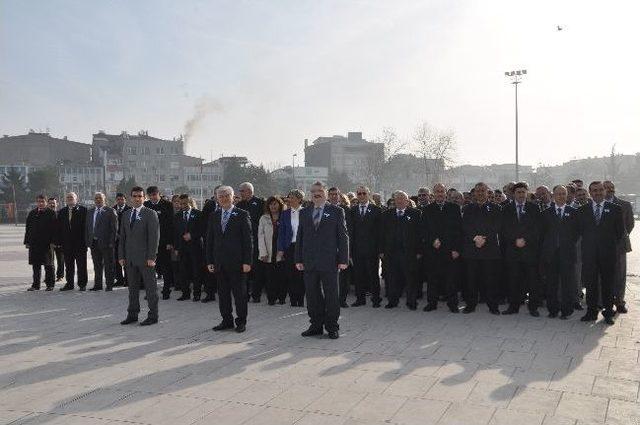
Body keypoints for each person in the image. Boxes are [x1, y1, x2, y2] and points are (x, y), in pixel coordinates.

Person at [295, 181, 349, 339]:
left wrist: (343, 259)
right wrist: (298, 258)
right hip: (309, 260)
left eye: (319, 190)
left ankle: (332, 327)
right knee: (312, 295)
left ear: (325, 193)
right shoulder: (304, 212)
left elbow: (343, 237)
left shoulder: (337, 211)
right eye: (313, 191)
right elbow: (300, 237)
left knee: (332, 295)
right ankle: (316, 325)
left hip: (330, 261)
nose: (316, 193)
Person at [576, 181, 624, 325]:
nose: (597, 193)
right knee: (591, 284)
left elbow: (620, 232)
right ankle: (591, 312)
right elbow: (579, 231)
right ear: (590, 193)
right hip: (589, 254)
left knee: (608, 284)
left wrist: (607, 244)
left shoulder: (616, 209)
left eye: (600, 190)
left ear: (605, 191)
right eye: (594, 190)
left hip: (608, 254)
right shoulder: (582, 210)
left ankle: (608, 313)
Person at [206, 186, 253, 333]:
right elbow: (210, 240)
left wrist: (247, 261)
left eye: (227, 195)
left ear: (233, 197)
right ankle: (226, 320)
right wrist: (209, 261)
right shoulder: (214, 215)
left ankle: (241, 321)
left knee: (239, 294)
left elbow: (248, 240)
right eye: (221, 196)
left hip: (238, 263)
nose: (224, 198)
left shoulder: (242, 214)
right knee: (223, 294)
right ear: (217, 198)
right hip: (219, 262)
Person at [119, 186, 160, 326]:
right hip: (130, 259)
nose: (137, 198)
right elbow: (122, 238)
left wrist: (151, 257)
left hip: (145, 259)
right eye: (134, 196)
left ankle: (153, 315)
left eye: (140, 196)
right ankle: (132, 314)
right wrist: (121, 256)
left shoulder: (150, 213)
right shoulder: (125, 214)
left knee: (150, 289)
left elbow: (154, 238)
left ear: (144, 198)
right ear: (131, 197)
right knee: (132, 289)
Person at [500, 182, 542, 316]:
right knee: (513, 280)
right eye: (518, 192)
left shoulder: (534, 208)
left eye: (524, 192)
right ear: (513, 194)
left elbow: (537, 229)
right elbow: (504, 229)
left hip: (529, 251)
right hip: (513, 251)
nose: (521, 195)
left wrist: (525, 240)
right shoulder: (506, 209)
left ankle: (533, 307)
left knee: (532, 280)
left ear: (527, 193)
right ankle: (513, 306)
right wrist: (515, 240)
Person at [461, 182, 502, 314]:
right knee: (471, 279)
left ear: (487, 192)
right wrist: (475, 238)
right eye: (477, 191)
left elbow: (496, 227)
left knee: (490, 279)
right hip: (472, 249)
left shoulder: (496, 208)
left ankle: (493, 306)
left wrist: (484, 239)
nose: (480, 193)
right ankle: (471, 305)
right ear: (474, 193)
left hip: (489, 249)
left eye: (483, 190)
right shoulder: (467, 209)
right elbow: (465, 227)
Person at [421, 183, 462, 313]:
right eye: (437, 191)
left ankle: (453, 304)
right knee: (432, 279)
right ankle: (432, 303)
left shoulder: (454, 208)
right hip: (433, 249)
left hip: (449, 249)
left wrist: (456, 249)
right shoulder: (427, 209)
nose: (439, 193)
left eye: (441, 191)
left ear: (446, 193)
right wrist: (432, 240)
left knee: (451, 279)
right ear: (433, 194)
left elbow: (458, 230)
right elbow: (424, 230)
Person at [541, 185, 579, 319]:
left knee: (567, 284)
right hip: (551, 254)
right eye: (558, 194)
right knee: (551, 283)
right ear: (553, 196)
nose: (561, 196)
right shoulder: (545, 213)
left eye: (564, 194)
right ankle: (553, 310)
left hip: (567, 254)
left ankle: (566, 310)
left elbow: (576, 233)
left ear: (567, 195)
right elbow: (542, 234)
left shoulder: (574, 212)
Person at [380, 190, 422, 310]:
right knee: (392, 278)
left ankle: (411, 302)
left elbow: (419, 234)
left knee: (410, 279)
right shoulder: (387, 214)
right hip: (391, 253)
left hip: (409, 253)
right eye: (397, 199)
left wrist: (419, 251)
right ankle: (393, 301)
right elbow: (381, 234)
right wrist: (381, 250)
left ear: (407, 201)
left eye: (402, 198)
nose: (399, 201)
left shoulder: (415, 214)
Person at [348, 185, 383, 307]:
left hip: (372, 250)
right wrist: (349, 250)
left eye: (364, 193)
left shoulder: (376, 210)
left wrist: (380, 249)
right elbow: (350, 231)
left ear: (368, 194)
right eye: (359, 194)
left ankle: (376, 299)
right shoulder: (352, 210)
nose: (361, 196)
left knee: (373, 275)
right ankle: (360, 299)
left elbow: (380, 232)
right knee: (358, 275)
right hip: (357, 250)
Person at [603, 180, 634, 313]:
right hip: (601, 246)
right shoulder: (597, 205)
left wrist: (618, 237)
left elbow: (630, 224)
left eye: (612, 187)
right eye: (607, 188)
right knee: (602, 274)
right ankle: (603, 301)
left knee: (620, 274)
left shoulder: (624, 205)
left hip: (619, 245)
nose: (610, 190)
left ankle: (619, 302)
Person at [236, 182, 265, 303]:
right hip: (243, 242)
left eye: (242, 191)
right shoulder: (239, 205)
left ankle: (256, 294)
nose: (240, 193)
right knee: (244, 269)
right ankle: (245, 294)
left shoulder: (260, 203)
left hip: (257, 240)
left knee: (257, 269)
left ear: (249, 191)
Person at [144, 186, 175, 299]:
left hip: (163, 242)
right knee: (149, 268)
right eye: (150, 195)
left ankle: (166, 290)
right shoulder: (146, 205)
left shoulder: (167, 205)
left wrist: (170, 242)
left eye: (154, 194)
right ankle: (151, 292)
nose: (153, 197)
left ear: (159, 193)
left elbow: (171, 225)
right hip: (149, 243)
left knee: (166, 268)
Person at [277, 189, 306, 307]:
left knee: (302, 274)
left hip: (303, 247)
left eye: (292, 197)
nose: (290, 199)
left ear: (299, 199)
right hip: (290, 247)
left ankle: (301, 299)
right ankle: (293, 299)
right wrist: (280, 249)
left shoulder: (307, 212)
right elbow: (281, 233)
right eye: (289, 197)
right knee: (291, 274)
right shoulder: (285, 214)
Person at [174, 194, 205, 302]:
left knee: (196, 271)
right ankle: (185, 293)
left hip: (195, 247)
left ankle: (196, 294)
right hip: (182, 248)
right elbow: (176, 233)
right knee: (183, 271)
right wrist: (176, 248)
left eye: (185, 203)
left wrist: (192, 235)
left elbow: (202, 229)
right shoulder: (177, 216)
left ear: (190, 202)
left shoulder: (198, 214)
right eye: (181, 203)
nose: (183, 205)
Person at [86, 192, 118, 291]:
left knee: (108, 265)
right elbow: (87, 228)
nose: (98, 200)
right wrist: (88, 241)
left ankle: (109, 285)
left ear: (104, 199)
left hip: (107, 244)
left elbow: (114, 229)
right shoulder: (90, 212)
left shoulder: (110, 211)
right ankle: (98, 285)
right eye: (96, 198)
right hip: (94, 243)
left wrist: (112, 242)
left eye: (100, 198)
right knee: (97, 265)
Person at [56, 192, 88, 291]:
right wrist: (59, 242)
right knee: (69, 266)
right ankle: (69, 284)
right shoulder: (62, 212)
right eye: (68, 197)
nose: (70, 199)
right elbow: (59, 229)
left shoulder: (83, 210)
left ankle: (82, 284)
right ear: (66, 199)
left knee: (81, 266)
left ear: (76, 199)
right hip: (67, 245)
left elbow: (86, 228)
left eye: (72, 197)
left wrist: (86, 242)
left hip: (80, 244)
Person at [24, 195, 57, 291]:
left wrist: (53, 241)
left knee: (49, 265)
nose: (40, 203)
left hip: (47, 244)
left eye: (42, 201)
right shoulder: (32, 213)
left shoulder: (51, 213)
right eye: (38, 201)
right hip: (34, 244)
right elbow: (28, 228)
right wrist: (27, 241)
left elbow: (55, 229)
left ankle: (50, 284)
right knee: (36, 265)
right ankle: (35, 285)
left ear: (46, 202)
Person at [258, 196, 286, 305]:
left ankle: (282, 297)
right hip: (268, 250)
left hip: (281, 250)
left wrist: (283, 250)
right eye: (271, 204)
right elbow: (260, 236)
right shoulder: (263, 218)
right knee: (270, 276)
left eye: (275, 204)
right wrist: (263, 253)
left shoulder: (284, 217)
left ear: (279, 205)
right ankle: (271, 298)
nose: (273, 206)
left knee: (282, 276)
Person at [113, 193, 131, 287]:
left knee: (127, 259)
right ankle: (119, 279)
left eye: (122, 199)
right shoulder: (112, 209)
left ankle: (128, 279)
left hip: (127, 239)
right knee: (117, 260)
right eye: (118, 199)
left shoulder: (130, 210)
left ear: (125, 200)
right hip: (116, 239)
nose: (120, 201)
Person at [47, 197, 65, 282]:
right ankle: (50, 276)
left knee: (60, 259)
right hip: (48, 241)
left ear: (57, 204)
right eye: (50, 203)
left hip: (59, 240)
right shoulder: (45, 214)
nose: (52, 204)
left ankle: (60, 275)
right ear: (48, 204)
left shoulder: (60, 214)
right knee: (49, 260)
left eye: (53, 203)